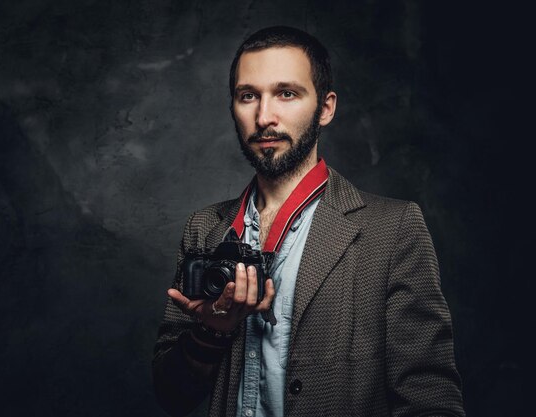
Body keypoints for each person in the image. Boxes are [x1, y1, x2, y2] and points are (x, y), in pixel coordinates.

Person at [152, 26, 464, 417]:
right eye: (248, 96)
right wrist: (212, 331)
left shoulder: (393, 229)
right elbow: (171, 395)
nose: (264, 117)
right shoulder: (204, 228)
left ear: (326, 107)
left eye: (287, 93)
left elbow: (430, 400)